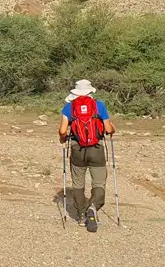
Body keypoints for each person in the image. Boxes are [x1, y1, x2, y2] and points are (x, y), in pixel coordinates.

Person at [58, 79, 116, 233]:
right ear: (90, 91)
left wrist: (62, 139)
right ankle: (93, 207)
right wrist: (112, 129)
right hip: (96, 149)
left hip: (77, 149)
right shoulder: (99, 106)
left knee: (78, 183)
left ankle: (82, 215)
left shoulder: (69, 107)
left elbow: (63, 131)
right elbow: (108, 128)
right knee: (99, 182)